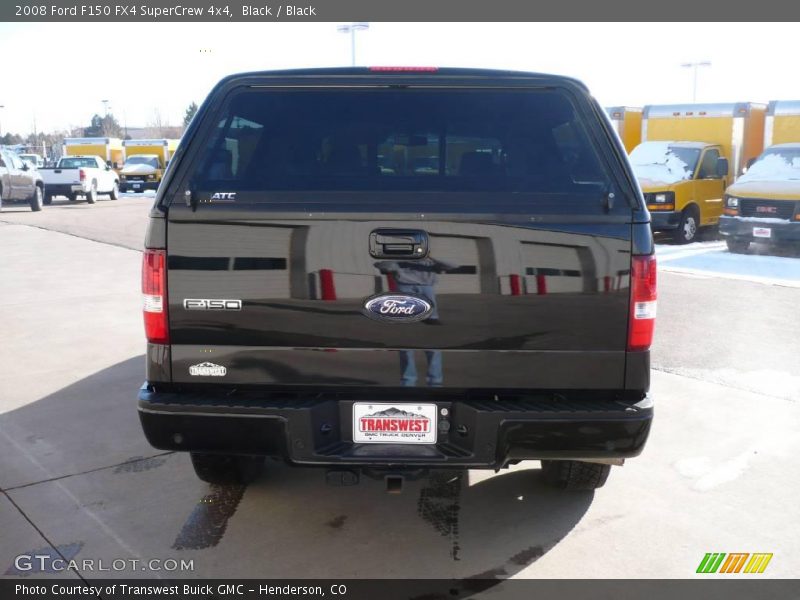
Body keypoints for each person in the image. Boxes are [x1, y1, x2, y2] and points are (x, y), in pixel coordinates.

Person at [374, 256, 457, 386]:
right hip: (405, 291)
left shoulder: (428, 262)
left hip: (427, 292)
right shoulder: (399, 261)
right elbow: (381, 265)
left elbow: (452, 266)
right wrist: (397, 255)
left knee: (433, 347)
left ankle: (435, 382)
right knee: (406, 347)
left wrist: (431, 256)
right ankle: (408, 382)